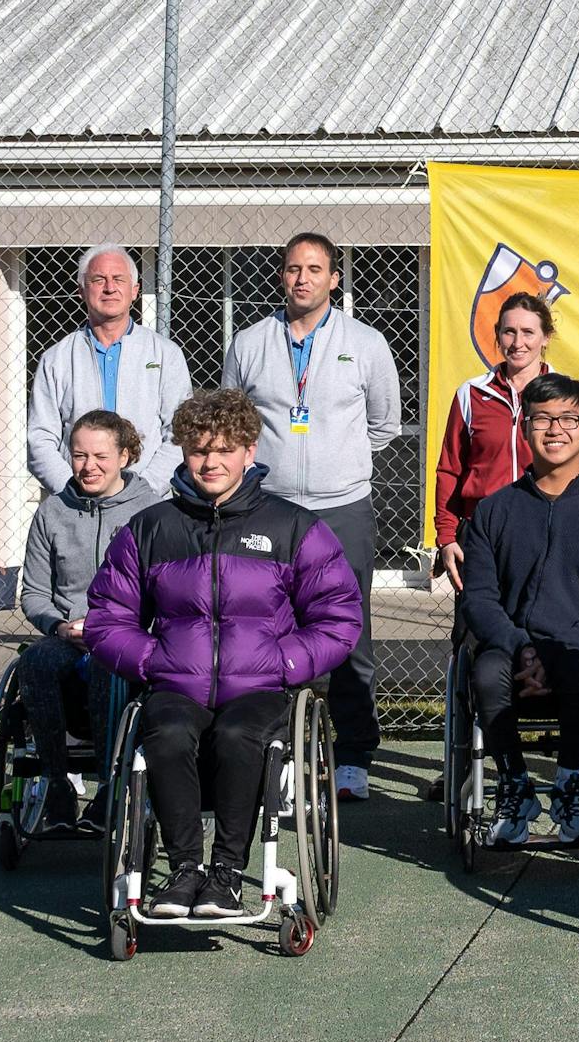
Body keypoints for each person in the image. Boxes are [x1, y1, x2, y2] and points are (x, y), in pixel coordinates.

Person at [83, 390, 368, 918]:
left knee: (241, 735)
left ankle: (227, 874)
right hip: (176, 686)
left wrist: (282, 662)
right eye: (197, 450)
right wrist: (155, 660)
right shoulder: (151, 528)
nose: (210, 462)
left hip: (260, 689)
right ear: (182, 453)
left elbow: (338, 617)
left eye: (224, 449)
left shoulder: (293, 527)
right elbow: (107, 619)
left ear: (249, 451)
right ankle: (185, 870)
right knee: (164, 732)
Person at [221, 231, 403, 801]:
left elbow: (384, 425)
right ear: (282, 276)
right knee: (263, 629)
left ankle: (353, 757)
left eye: (315, 269)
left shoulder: (366, 343)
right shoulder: (249, 343)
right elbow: (233, 425)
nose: (303, 278)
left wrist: (332, 466)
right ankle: (273, 749)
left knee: (349, 632)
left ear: (334, 278)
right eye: (293, 268)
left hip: (342, 507)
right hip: (267, 510)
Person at [458, 374, 579, 850]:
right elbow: (479, 597)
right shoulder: (494, 511)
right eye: (542, 418)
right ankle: (516, 788)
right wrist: (522, 649)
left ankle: (570, 786)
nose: (555, 429)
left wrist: (562, 650)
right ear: (524, 428)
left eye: (569, 418)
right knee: (483, 672)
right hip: (513, 651)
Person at [11, 409, 166, 833]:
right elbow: (36, 593)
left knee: (108, 665)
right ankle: (57, 783)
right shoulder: (52, 513)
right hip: (68, 632)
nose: (89, 466)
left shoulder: (151, 512)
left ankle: (109, 788)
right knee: (35, 662)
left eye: (101, 456)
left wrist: (120, 630)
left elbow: (166, 590)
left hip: (128, 635)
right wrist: (58, 626)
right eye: (79, 455)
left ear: (126, 456)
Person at [436, 289, 579, 586]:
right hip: (483, 535)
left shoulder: (569, 397)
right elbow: (450, 470)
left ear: (546, 337)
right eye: (509, 332)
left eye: (528, 332)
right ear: (498, 335)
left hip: (550, 533)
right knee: (480, 628)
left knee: (542, 629)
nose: (518, 343)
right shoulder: (472, 393)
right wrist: (447, 537)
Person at [25, 245, 193, 496]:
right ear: (81, 290)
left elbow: (180, 434)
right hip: (75, 505)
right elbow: (40, 440)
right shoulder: (56, 359)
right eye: (98, 279)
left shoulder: (165, 354)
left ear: (134, 290)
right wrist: (72, 490)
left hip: (147, 504)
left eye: (118, 279)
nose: (109, 288)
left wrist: (141, 492)